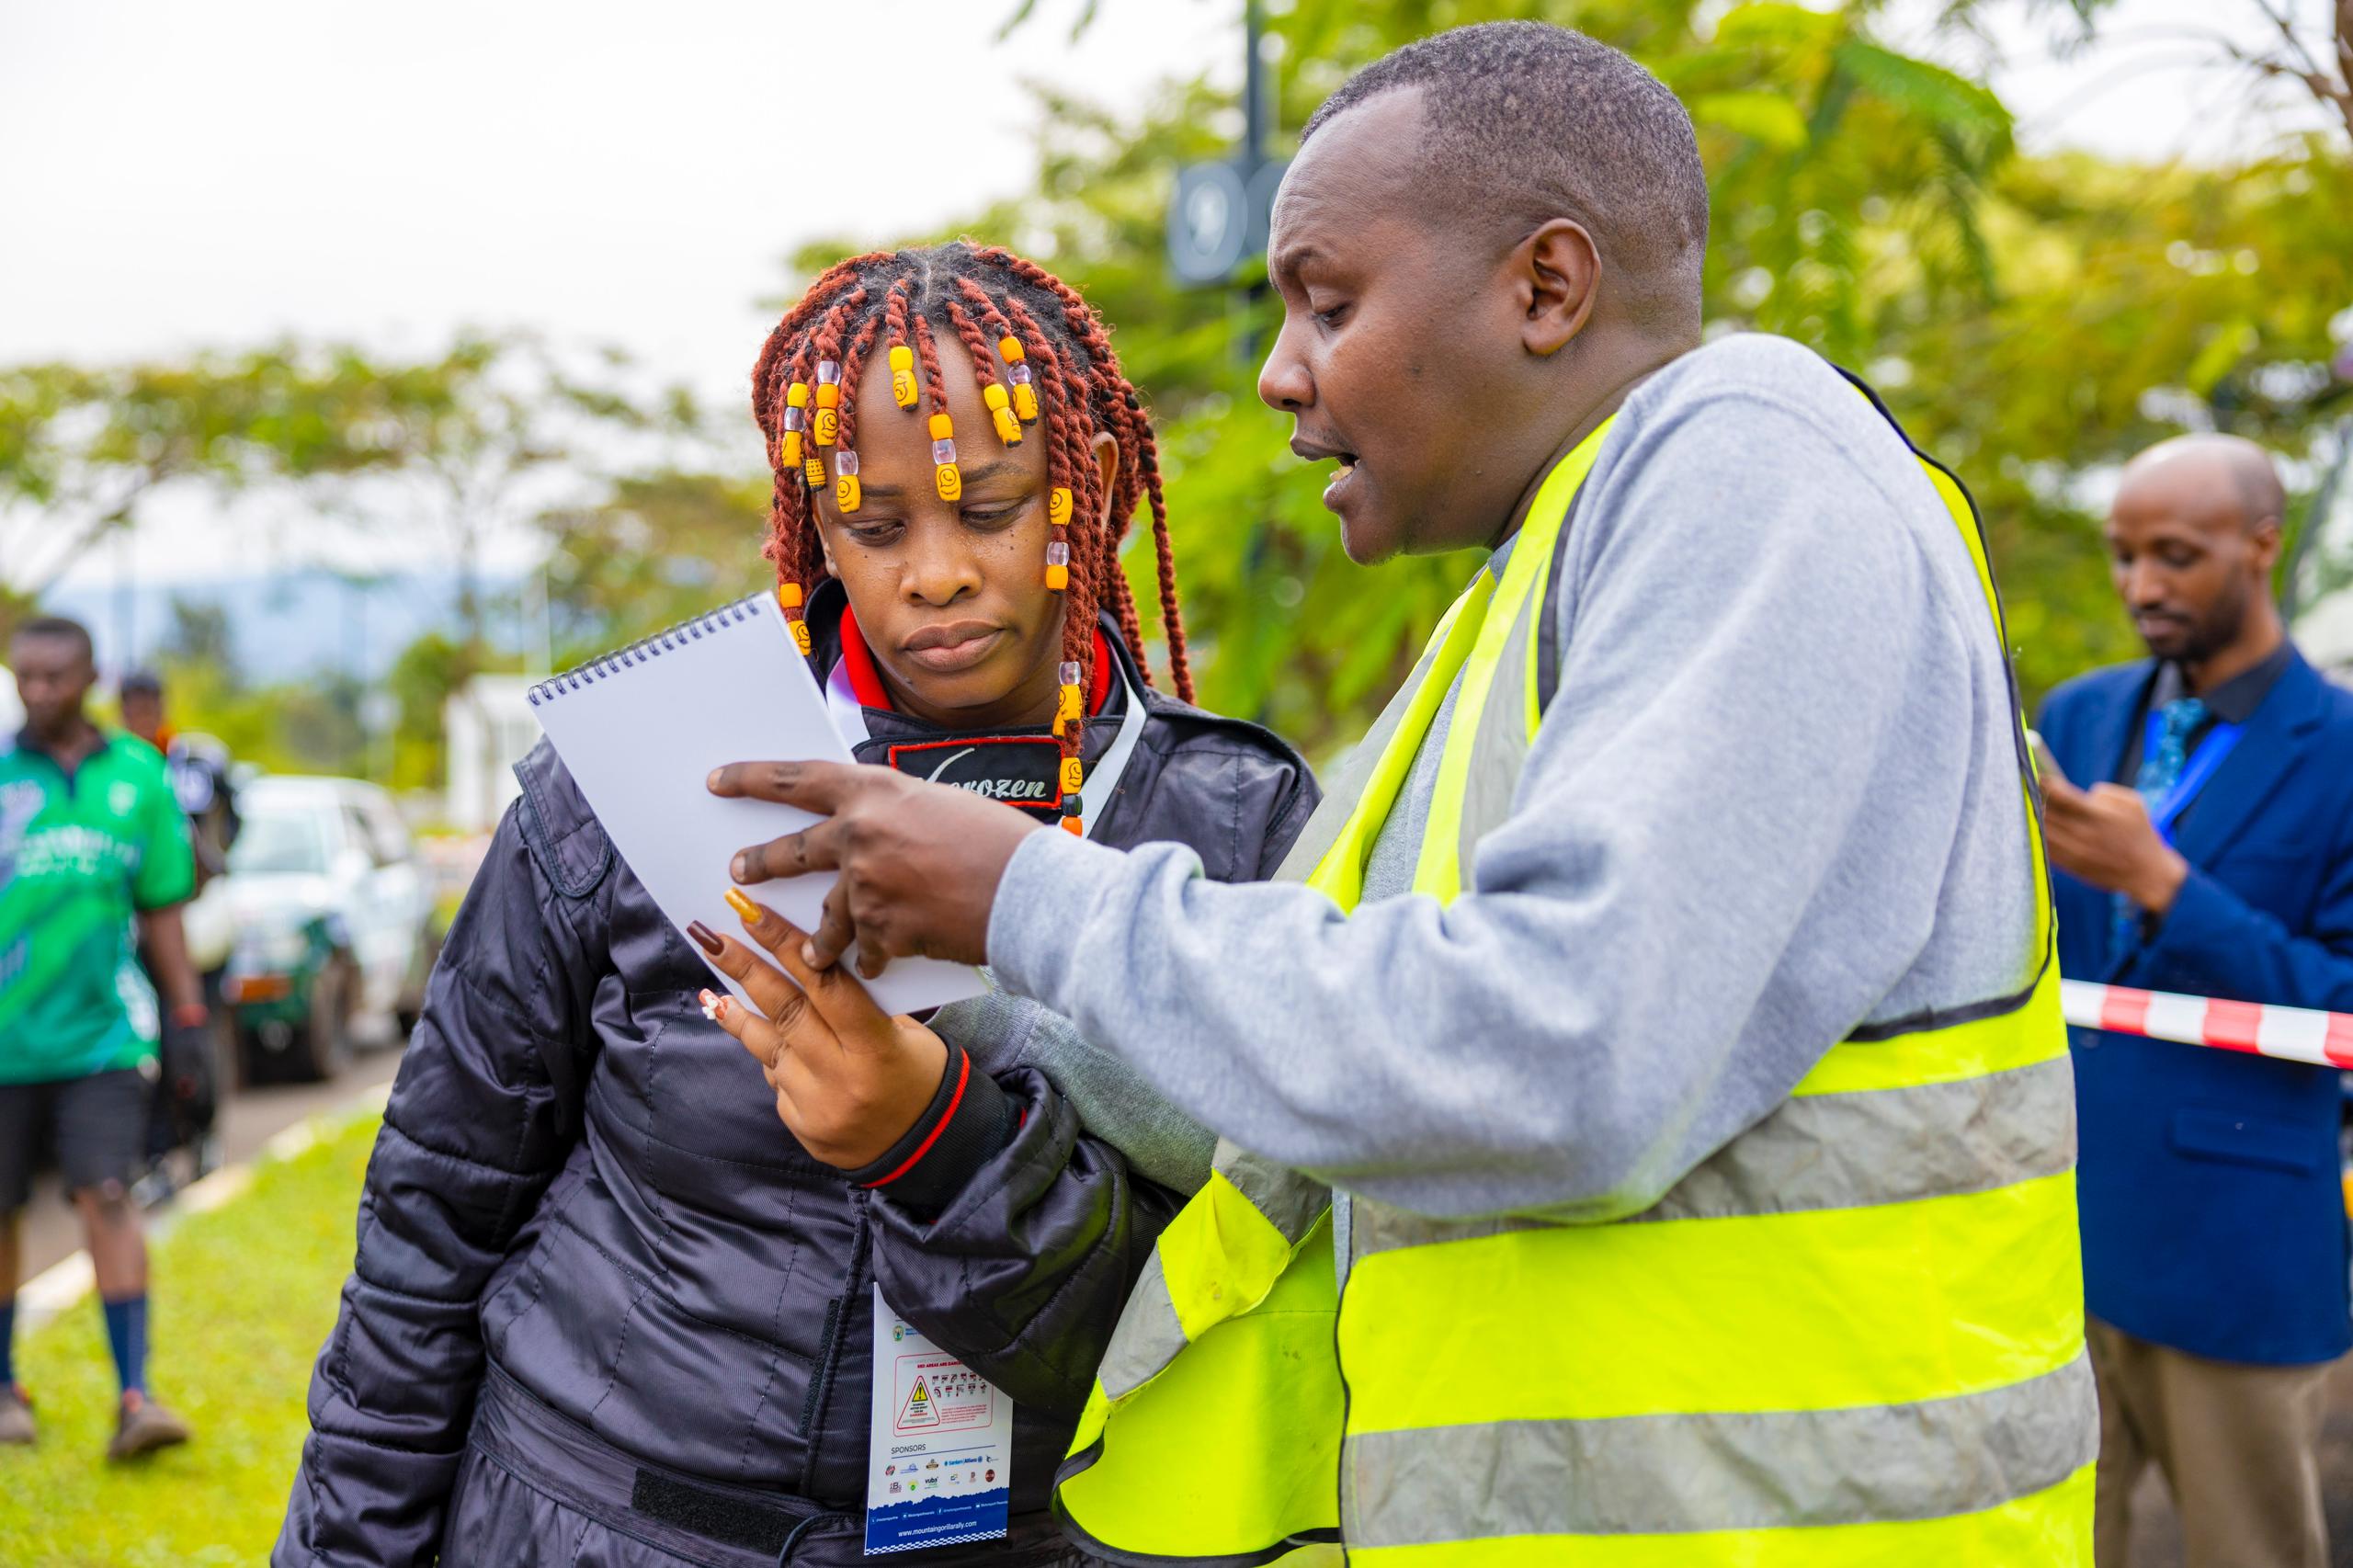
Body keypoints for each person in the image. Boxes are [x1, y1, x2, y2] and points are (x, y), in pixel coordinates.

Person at [707, 22, 2096, 1562]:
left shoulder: (1753, 464)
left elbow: (1560, 1059)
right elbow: (1303, 1087)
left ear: (1546, 287)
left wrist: (1024, 890)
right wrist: (947, 995)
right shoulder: (1511, 605)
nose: (1277, 368)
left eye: (1328, 299)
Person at [274, 243, 1317, 1568]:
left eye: (990, 509)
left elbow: (1227, 1318)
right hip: (588, 1525)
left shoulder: (1226, 825)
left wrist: (939, 1143)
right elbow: (432, 1220)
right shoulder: (641, 774)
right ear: (814, 528)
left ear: (1091, 495)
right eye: (875, 528)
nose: (933, 574)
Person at [2034, 435, 2353, 1568]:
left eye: (2174, 555)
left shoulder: (2343, 749)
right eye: (2122, 556)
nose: (2140, 587)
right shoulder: (2074, 717)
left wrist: (2164, 884)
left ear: (2263, 546)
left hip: (2233, 1255)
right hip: (2051, 1242)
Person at [0, 616, 205, 1459]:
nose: (38, 692)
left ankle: (134, 1395)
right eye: (25, 677)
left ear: (91, 678)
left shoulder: (138, 776)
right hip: (6, 1043)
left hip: (105, 1039)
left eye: (55, 677)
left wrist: (189, 1021)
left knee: (109, 1194)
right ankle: (5, 1388)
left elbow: (162, 910)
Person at [119, 667, 240, 1179]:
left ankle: (203, 1136)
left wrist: (210, 862)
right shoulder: (117, 765)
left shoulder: (193, 762)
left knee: (194, 1035)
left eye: (150, 703)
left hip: (196, 923)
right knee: (150, 1047)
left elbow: (229, 822)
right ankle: (156, 1152)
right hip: (136, 934)